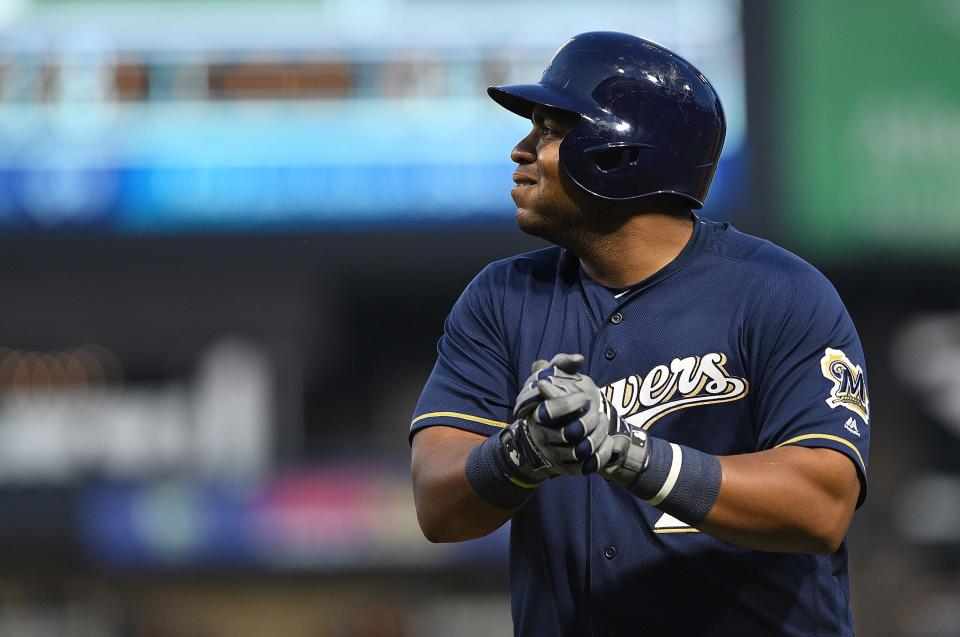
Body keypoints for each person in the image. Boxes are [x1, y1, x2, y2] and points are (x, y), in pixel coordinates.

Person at [409, 31, 869, 636]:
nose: (523, 149)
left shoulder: (779, 291)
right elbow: (438, 507)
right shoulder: (501, 299)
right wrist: (520, 454)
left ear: (618, 152)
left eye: (550, 129)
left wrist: (634, 457)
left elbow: (820, 506)